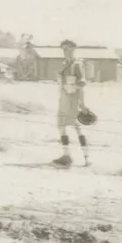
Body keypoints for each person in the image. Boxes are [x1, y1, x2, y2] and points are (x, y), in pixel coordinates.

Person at [54, 39, 89, 167]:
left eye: (68, 49)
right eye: (63, 49)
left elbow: (83, 82)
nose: (65, 52)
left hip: (73, 98)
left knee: (77, 127)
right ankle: (66, 155)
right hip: (63, 98)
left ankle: (86, 157)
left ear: (74, 49)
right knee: (61, 126)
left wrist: (82, 103)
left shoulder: (77, 64)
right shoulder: (64, 64)